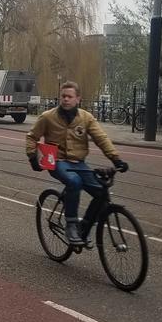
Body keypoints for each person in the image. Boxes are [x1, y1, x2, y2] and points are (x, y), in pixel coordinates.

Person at [26, 81, 128, 248]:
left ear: (78, 99)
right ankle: (71, 225)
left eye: (69, 97)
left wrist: (116, 159)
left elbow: (101, 138)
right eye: (63, 96)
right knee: (74, 182)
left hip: (79, 163)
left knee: (102, 192)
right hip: (58, 162)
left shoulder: (86, 118)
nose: (65, 99)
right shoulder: (48, 117)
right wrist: (32, 158)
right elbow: (32, 137)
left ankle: (84, 227)